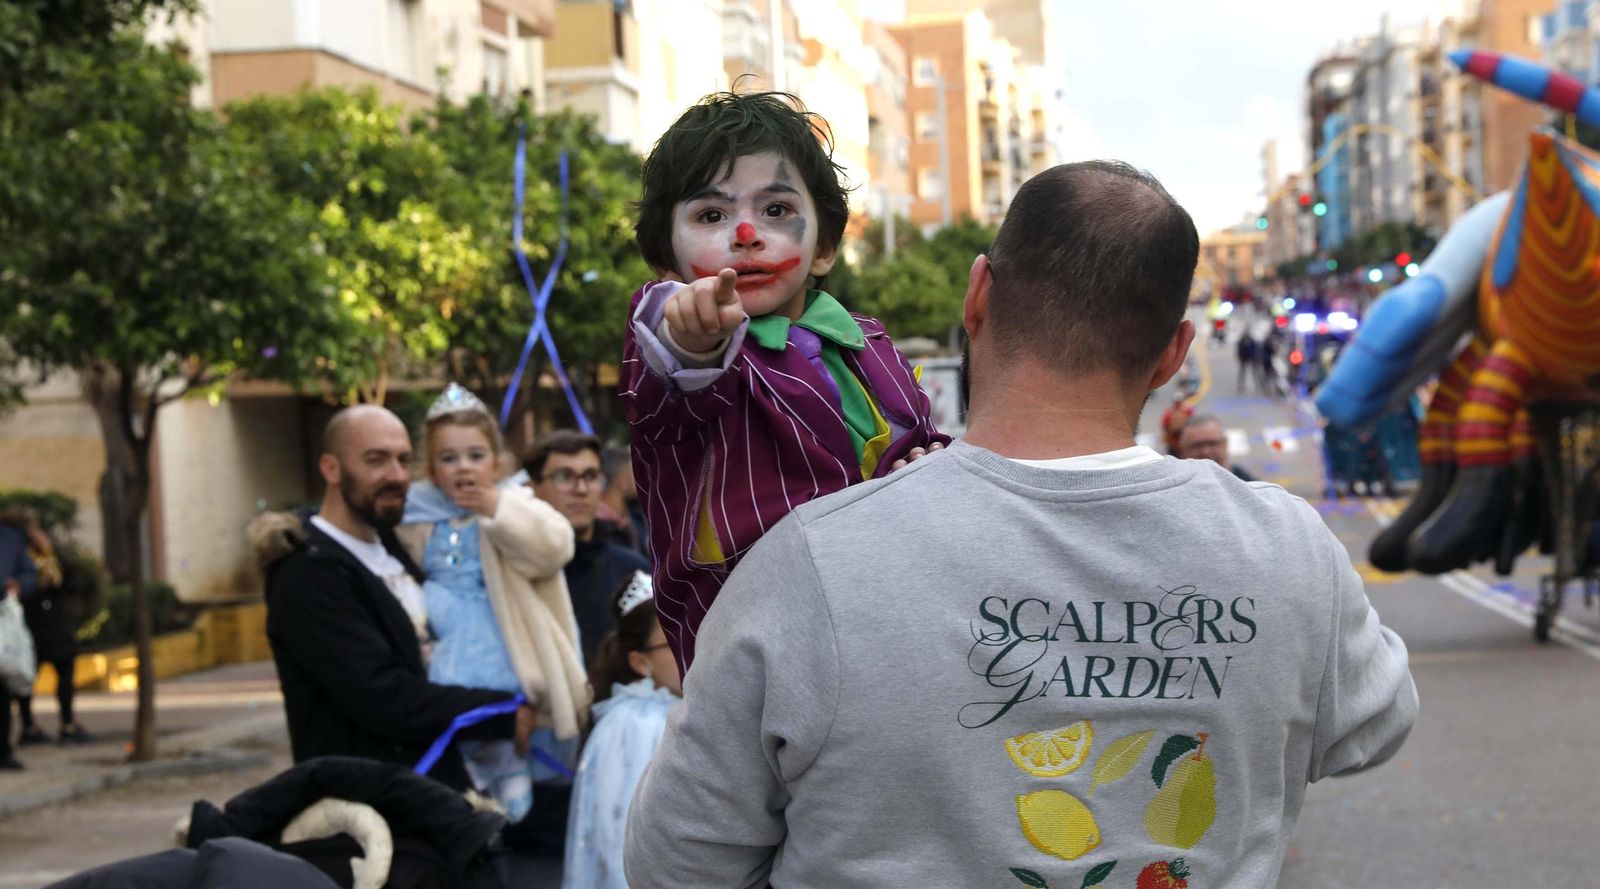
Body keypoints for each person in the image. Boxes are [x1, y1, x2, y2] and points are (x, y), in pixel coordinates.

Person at [624, 162, 1417, 888]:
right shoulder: (1286, 549)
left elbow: (676, 861)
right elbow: (1374, 719)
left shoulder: (807, 563)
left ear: (977, 296)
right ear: (1175, 351)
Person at [621, 90, 949, 671]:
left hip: (891, 637)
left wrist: (926, 465)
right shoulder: (682, 338)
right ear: (667, 263)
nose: (747, 232)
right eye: (711, 215)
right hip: (756, 659)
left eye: (776, 209)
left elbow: (920, 440)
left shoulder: (869, 341)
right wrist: (693, 339)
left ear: (824, 248)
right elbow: (670, 371)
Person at [260, 404, 539, 792]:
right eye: (376, 460)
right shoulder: (307, 573)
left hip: (431, 790)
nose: (396, 475)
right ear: (331, 469)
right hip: (366, 803)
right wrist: (502, 711)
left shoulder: (391, 544)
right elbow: (382, 697)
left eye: (404, 460)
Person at [396, 383, 590, 823]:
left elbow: (554, 546)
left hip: (502, 643)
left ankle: (511, 788)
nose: (463, 467)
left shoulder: (516, 502)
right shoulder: (417, 513)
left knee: (507, 729)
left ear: (497, 462)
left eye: (475, 455)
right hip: (445, 644)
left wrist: (496, 508)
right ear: (431, 468)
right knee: (457, 740)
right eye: (449, 458)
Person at [562, 572, 682, 889]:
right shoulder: (638, 724)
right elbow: (617, 836)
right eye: (674, 641)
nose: (692, 649)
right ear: (641, 663)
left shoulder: (679, 708)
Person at [524, 431, 649, 668]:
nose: (581, 489)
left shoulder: (633, 570)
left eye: (591, 476)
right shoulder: (517, 568)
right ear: (532, 487)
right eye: (564, 477)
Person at [9, 508, 91, 745]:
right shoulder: (25, 556)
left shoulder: (30, 554)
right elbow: (54, 582)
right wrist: (46, 552)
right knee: (28, 679)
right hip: (34, 625)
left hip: (45, 625)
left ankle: (61, 724)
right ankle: (35, 727)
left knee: (54, 675)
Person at [0, 518, 37, 770]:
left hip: (3, 624)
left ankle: (3, 751)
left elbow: (29, 573)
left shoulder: (9, 538)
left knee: (2, 692)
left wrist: (20, 585)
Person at [596, 446, 648, 558]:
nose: (643, 480)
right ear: (623, 481)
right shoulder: (595, 527)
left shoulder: (631, 520)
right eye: (637, 474)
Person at [1178, 413, 1257, 482]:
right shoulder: (1174, 485)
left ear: (1225, 443)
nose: (1206, 451)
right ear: (1183, 449)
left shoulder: (1246, 482)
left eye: (1212, 443)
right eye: (1197, 445)